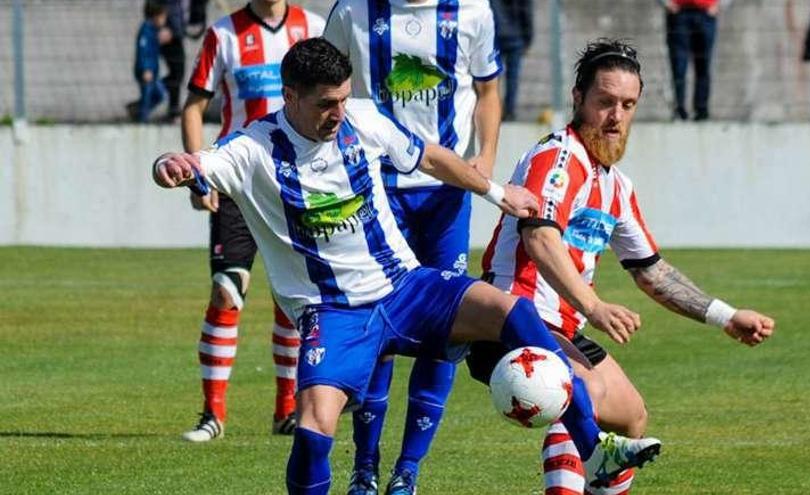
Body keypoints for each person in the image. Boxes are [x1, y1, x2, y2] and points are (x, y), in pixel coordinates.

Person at [152, 37, 663, 495]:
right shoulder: (252, 149)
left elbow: (431, 158)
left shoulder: (363, 121)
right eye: (325, 104)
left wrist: (494, 191)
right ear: (290, 97)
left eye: (343, 99)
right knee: (312, 429)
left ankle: (594, 449)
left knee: (513, 313)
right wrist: (171, 166)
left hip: (405, 286)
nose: (338, 113)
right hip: (333, 311)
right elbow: (197, 164)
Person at [470, 38, 775, 494]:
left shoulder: (616, 185)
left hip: (564, 328)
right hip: (513, 317)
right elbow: (539, 237)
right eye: (605, 102)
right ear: (578, 99)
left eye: (627, 105)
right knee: (578, 394)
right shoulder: (558, 159)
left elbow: (650, 270)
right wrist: (594, 307)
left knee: (632, 417)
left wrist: (726, 316)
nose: (616, 117)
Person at [323, 1, 503, 493]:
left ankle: (408, 472)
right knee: (377, 325)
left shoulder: (472, 11)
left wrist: (484, 157)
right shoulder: (353, 11)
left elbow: (488, 88)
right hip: (376, 194)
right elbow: (326, 85)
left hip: (448, 196)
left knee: (445, 331)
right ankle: (365, 467)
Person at [179, 0, 324, 442]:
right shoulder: (222, 34)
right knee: (226, 291)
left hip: (295, 186)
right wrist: (198, 174)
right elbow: (193, 107)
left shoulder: (313, 27)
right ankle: (212, 416)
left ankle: (287, 412)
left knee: (294, 298)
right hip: (237, 184)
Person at [659, 0, 731, 121]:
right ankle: (679, 109)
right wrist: (666, 3)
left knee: (704, 64)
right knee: (678, 65)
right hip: (679, 14)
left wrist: (720, 5)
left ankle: (701, 110)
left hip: (705, 14)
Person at [489, 0, 533, 121]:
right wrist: (528, 38)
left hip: (495, 36)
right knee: (512, 77)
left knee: (492, 76)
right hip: (516, 36)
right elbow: (526, 13)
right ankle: (509, 111)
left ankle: (493, 110)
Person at [133, 1, 170, 123]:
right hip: (146, 71)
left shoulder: (154, 31)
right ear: (156, 16)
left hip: (153, 71)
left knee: (160, 94)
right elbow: (143, 51)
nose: (164, 20)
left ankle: (136, 110)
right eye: (163, 17)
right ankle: (142, 120)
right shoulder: (146, 30)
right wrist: (145, 69)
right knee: (147, 95)